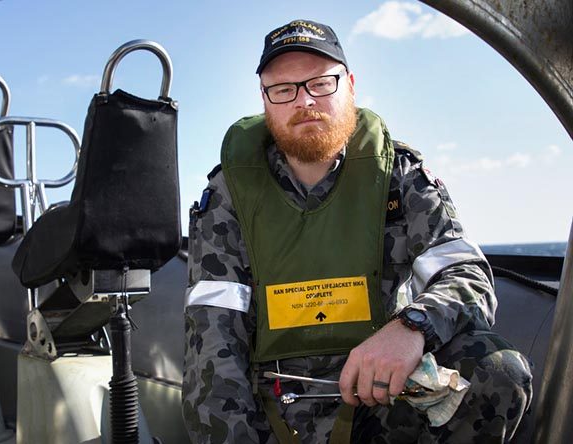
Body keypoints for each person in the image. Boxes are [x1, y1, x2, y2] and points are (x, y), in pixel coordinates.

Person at [182, 19, 532, 443]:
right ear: (265, 100)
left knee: (497, 370)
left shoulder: (398, 175)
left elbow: (468, 277)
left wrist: (411, 328)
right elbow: (213, 338)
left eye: (321, 83)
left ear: (349, 85)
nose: (305, 101)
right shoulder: (229, 193)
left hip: (384, 401)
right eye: (284, 89)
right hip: (277, 411)